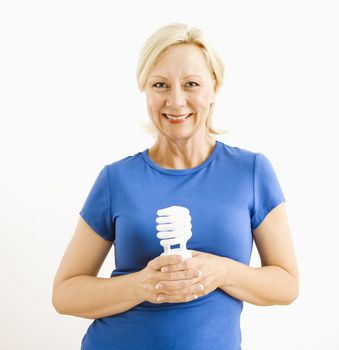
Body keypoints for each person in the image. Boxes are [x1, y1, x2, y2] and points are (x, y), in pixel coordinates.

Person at [52, 22, 299, 350]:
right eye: (160, 85)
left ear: (214, 88)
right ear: (145, 90)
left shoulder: (251, 171)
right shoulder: (116, 179)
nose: (176, 100)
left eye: (191, 84)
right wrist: (143, 285)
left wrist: (220, 272)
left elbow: (286, 284)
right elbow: (65, 294)